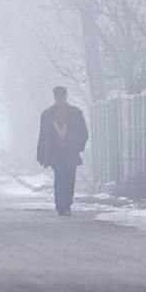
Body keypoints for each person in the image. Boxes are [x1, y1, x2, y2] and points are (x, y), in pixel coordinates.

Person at [37, 86, 89, 216]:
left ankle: (67, 203)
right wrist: (41, 154)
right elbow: (43, 136)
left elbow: (84, 132)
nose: (60, 98)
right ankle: (61, 205)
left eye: (62, 96)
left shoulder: (76, 113)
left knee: (70, 179)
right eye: (58, 96)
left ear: (66, 96)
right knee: (60, 178)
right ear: (55, 97)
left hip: (71, 152)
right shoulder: (47, 114)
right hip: (55, 152)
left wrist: (79, 146)